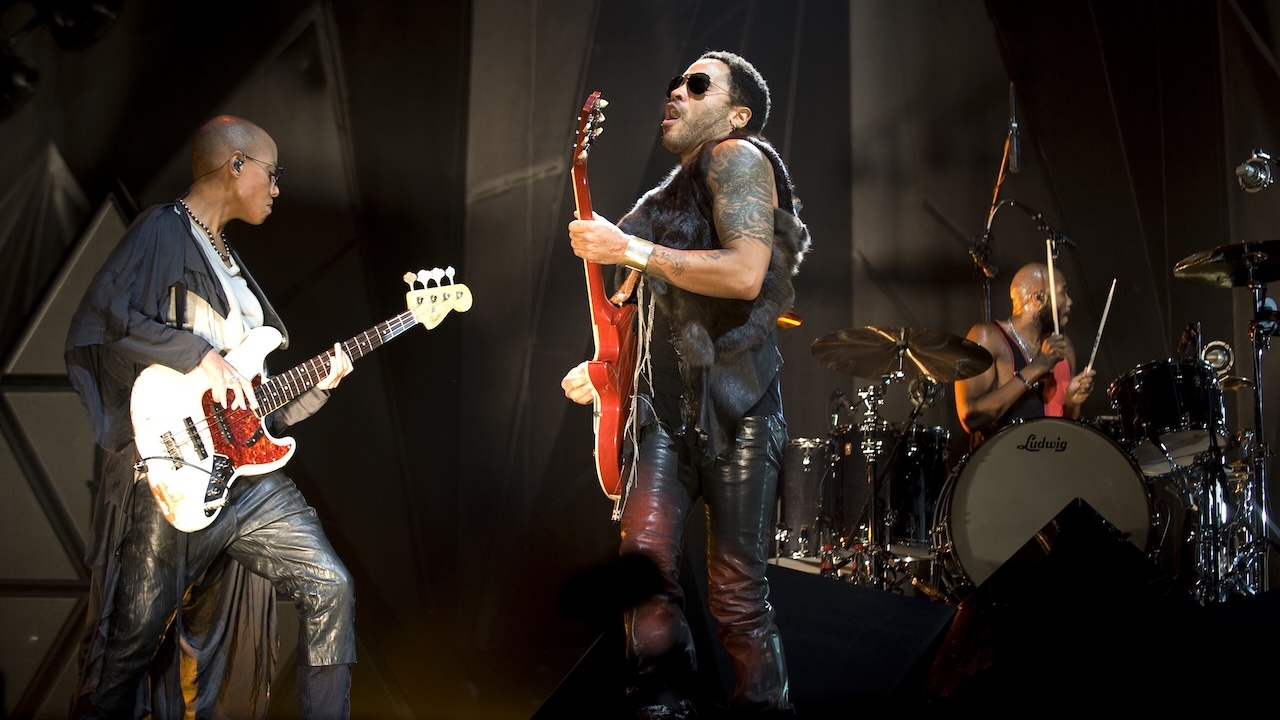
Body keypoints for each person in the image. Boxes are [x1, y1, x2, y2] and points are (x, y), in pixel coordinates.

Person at [64, 114, 357, 719]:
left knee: (331, 586)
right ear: (237, 166)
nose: (276, 189)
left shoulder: (232, 263)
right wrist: (197, 354)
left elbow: (250, 397)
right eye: (271, 175)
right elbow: (105, 314)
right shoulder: (164, 230)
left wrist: (318, 385)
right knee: (130, 651)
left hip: (244, 477)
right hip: (175, 468)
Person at [561, 51, 810, 719]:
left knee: (735, 591)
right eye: (675, 80)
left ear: (736, 114)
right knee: (643, 575)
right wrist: (603, 371)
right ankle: (666, 708)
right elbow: (626, 315)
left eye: (697, 84)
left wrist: (631, 250)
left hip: (740, 411)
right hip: (662, 413)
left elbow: (743, 273)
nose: (677, 89)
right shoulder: (658, 203)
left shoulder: (740, 158)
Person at [954, 261, 1096, 450]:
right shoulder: (987, 337)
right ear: (1038, 298)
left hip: (1048, 466)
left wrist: (1072, 404)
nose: (1070, 301)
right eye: (1063, 293)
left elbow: (1064, 435)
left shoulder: (1064, 347)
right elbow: (970, 418)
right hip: (1001, 467)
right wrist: (1035, 369)